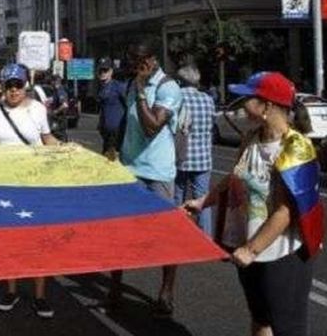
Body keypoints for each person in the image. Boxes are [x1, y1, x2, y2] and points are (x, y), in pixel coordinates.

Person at [185, 72, 321, 336]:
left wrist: (251, 249)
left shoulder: (295, 148)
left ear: (267, 106)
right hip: (249, 246)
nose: (241, 103)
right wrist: (204, 201)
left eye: (248, 98)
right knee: (260, 319)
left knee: (287, 328)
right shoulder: (251, 138)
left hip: (282, 254)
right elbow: (235, 175)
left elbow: (285, 212)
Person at [109, 40, 183, 316]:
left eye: (138, 61)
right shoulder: (131, 84)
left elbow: (152, 126)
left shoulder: (168, 88)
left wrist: (141, 91)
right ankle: (114, 288)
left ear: (152, 60)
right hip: (130, 169)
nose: (133, 66)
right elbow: (128, 122)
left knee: (167, 234)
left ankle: (166, 291)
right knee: (120, 232)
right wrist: (114, 148)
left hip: (158, 172)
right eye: (130, 61)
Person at [0, 63, 58, 319]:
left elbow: (48, 140)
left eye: (18, 85)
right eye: (9, 85)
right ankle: (11, 290)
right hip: (4, 185)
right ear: (2, 87)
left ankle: (40, 295)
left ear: (25, 85)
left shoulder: (37, 109)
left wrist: (72, 150)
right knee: (9, 239)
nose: (14, 90)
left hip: (34, 184)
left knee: (38, 240)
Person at [175, 65, 215, 236]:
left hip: (180, 157)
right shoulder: (208, 99)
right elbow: (212, 126)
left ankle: (178, 234)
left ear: (180, 81)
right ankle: (206, 238)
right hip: (203, 158)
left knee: (178, 198)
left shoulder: (177, 98)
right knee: (202, 200)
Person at [96, 58, 127, 161]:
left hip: (118, 133)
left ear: (111, 72)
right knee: (107, 161)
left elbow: (129, 105)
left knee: (113, 162)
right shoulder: (101, 88)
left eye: (105, 70)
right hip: (106, 133)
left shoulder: (118, 87)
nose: (102, 73)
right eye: (100, 70)